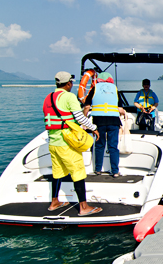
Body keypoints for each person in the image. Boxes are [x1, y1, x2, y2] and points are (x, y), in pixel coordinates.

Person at [42, 71, 102, 216]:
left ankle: (54, 202)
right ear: (68, 83)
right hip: (66, 142)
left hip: (53, 142)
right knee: (78, 172)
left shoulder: (48, 97)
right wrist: (93, 128)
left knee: (58, 173)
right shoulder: (68, 97)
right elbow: (80, 117)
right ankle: (83, 207)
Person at [83, 72, 126, 177]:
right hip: (114, 122)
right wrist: (124, 114)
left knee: (99, 145)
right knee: (113, 146)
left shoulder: (95, 88)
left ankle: (98, 170)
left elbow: (87, 106)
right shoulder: (114, 89)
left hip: (99, 122)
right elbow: (120, 108)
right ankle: (115, 171)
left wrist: (84, 120)